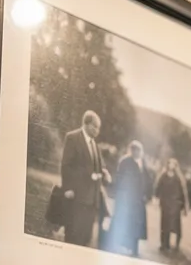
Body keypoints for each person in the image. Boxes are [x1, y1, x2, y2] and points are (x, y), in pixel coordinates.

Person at [60, 110, 110, 247]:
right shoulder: (72, 138)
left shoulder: (95, 145)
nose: (97, 131)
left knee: (85, 238)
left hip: (92, 200)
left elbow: (100, 166)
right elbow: (66, 165)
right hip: (76, 196)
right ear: (86, 124)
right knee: (72, 236)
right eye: (95, 126)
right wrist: (68, 188)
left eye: (99, 128)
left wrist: (105, 172)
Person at [109, 140, 150, 256]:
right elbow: (119, 179)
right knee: (121, 222)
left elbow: (146, 180)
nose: (136, 152)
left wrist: (147, 194)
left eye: (139, 150)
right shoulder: (125, 162)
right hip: (126, 199)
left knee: (135, 226)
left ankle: (134, 249)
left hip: (138, 200)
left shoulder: (142, 163)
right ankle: (113, 244)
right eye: (134, 150)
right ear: (131, 150)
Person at [155, 158, 189, 253]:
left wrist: (184, 206)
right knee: (164, 225)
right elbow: (158, 187)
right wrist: (157, 196)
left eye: (173, 164)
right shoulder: (164, 176)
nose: (171, 165)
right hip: (165, 204)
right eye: (170, 163)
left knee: (175, 226)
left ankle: (176, 244)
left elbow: (183, 193)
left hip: (175, 205)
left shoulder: (178, 178)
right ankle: (164, 244)